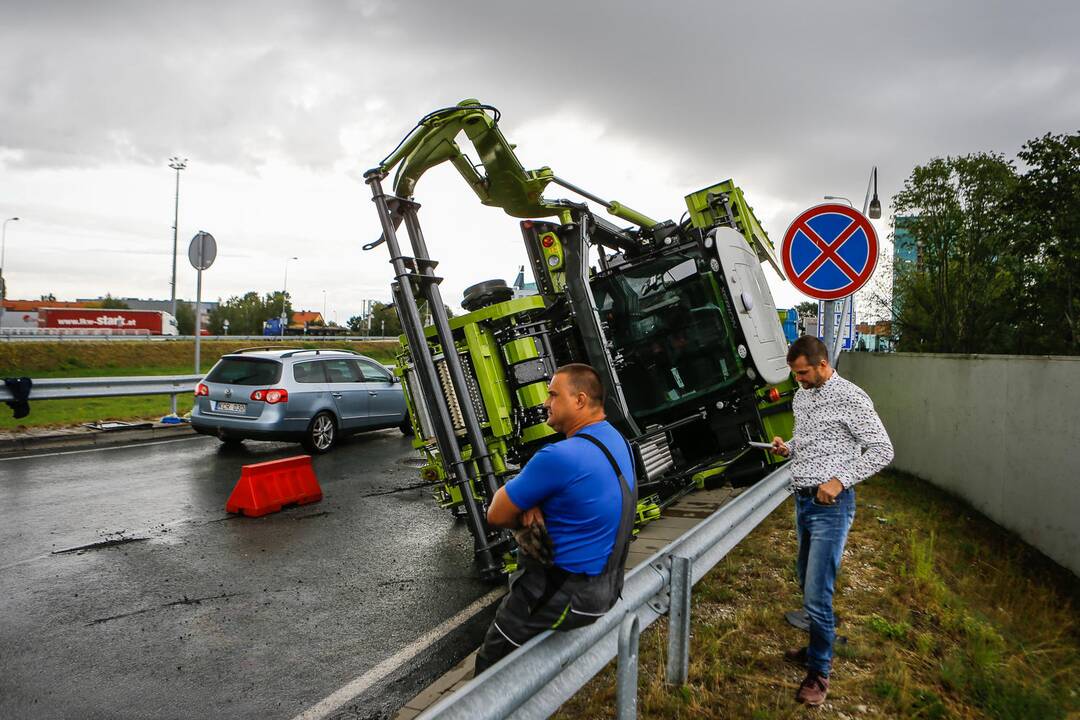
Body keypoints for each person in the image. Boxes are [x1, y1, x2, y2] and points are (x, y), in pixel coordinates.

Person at [475, 363, 637, 674]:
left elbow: (495, 513)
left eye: (552, 394)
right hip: (608, 589)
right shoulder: (616, 439)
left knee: (490, 674)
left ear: (579, 400)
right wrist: (535, 507)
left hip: (561, 598)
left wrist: (525, 512)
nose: (545, 402)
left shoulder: (559, 457)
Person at [771, 335, 894, 706]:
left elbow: (883, 450)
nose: (799, 380)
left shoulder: (852, 398)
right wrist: (788, 447)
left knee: (817, 592)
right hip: (803, 502)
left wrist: (839, 481)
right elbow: (810, 440)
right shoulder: (801, 396)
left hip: (832, 507)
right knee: (804, 577)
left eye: (804, 373)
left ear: (823, 364)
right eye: (795, 374)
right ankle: (814, 650)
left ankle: (819, 673)